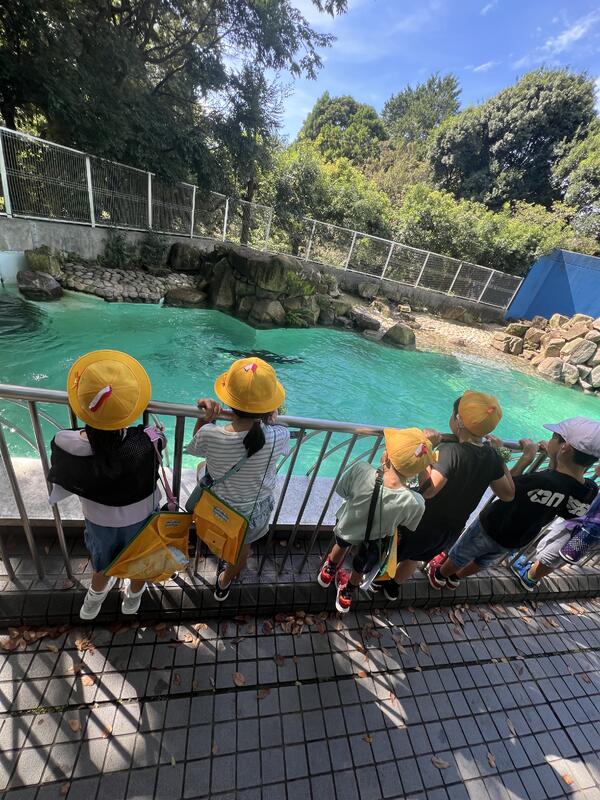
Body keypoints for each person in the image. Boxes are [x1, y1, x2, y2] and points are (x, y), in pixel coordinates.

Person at [48, 350, 164, 620]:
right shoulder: (148, 440)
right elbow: (158, 438)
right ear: (130, 407)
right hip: (143, 519)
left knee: (102, 562)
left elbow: (70, 444)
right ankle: (132, 600)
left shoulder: (65, 442)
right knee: (140, 560)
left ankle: (93, 601)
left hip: (99, 521)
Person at [433, 417, 600, 589]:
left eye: (553, 437)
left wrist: (520, 456)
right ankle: (455, 578)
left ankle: (439, 575)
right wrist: (553, 458)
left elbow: (508, 489)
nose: (550, 440)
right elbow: (563, 497)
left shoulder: (542, 481)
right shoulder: (589, 490)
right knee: (484, 561)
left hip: (491, 527)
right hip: (519, 538)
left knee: (461, 555)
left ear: (564, 448)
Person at [381, 391, 514, 600]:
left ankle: (378, 578)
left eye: (453, 414)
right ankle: (393, 586)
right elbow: (508, 494)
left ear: (458, 421)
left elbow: (430, 490)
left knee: (395, 552)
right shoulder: (491, 457)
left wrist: (427, 447)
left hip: (420, 524)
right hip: (450, 531)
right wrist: (499, 456)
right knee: (415, 557)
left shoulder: (450, 451)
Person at [184, 357, 290, 601]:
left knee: (202, 467)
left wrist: (204, 418)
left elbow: (197, 447)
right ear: (269, 407)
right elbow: (269, 432)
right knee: (243, 550)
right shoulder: (279, 436)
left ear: (228, 400)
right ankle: (223, 583)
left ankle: (219, 549)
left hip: (219, 505)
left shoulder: (211, 434)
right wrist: (270, 418)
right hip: (253, 512)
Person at [318, 428, 436, 613]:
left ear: (386, 456)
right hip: (376, 539)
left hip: (349, 526)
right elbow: (408, 524)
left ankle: (328, 572)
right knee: (361, 565)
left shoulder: (362, 470)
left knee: (340, 545)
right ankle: (347, 594)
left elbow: (343, 491)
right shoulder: (415, 502)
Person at [510, 455, 600, 591]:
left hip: (588, 527)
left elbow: (598, 470)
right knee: (562, 552)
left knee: (555, 553)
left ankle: (530, 577)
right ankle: (532, 572)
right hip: (589, 527)